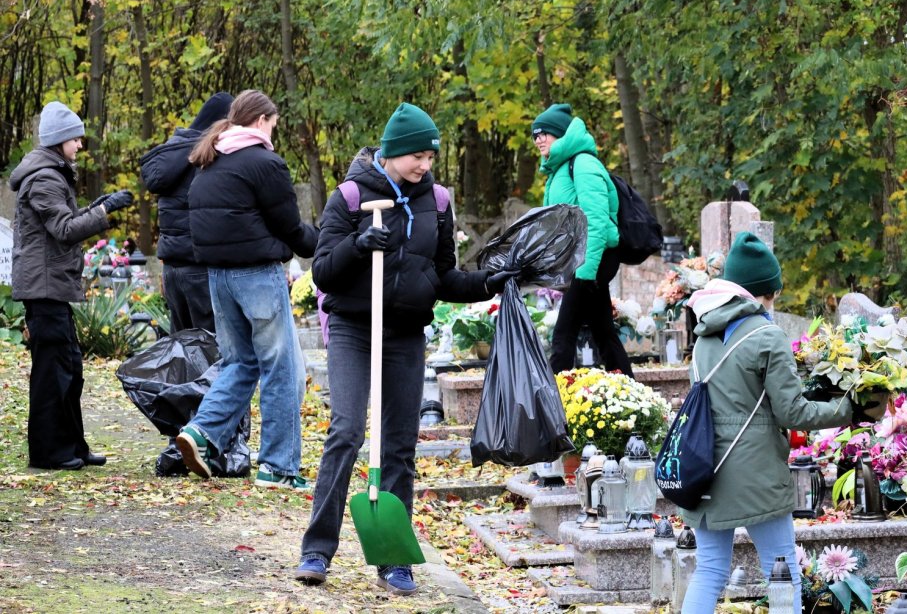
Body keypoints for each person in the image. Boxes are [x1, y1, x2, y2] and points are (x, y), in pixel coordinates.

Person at [294, 103, 517, 594]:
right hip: (354, 327)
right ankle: (316, 549)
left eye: (430, 156)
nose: (424, 165)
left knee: (399, 444)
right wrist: (358, 245)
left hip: (404, 334)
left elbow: (441, 277)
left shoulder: (435, 202)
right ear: (392, 154)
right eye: (416, 156)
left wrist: (486, 284)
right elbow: (323, 271)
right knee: (348, 431)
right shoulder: (350, 196)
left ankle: (394, 558)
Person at [678, 232, 851, 614]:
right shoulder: (768, 336)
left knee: (709, 570)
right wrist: (848, 409)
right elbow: (793, 414)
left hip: (703, 468)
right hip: (754, 474)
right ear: (765, 291)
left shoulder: (704, 335)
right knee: (782, 569)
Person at [176, 89, 318, 489]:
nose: (274, 133)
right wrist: (325, 244)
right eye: (273, 125)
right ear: (261, 121)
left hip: (218, 277)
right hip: (257, 275)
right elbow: (289, 226)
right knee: (281, 368)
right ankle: (278, 467)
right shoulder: (264, 163)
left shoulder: (209, 162)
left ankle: (202, 432)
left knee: (241, 363)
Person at [9, 101, 133, 470]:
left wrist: (96, 207)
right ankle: (49, 453)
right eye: (75, 138)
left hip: (51, 288)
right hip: (43, 288)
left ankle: (73, 447)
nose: (80, 144)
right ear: (59, 140)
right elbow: (63, 231)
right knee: (54, 370)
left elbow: (64, 221)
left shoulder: (52, 173)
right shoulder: (44, 177)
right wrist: (104, 211)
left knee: (70, 367)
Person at [531, 103, 633, 376]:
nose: (539, 139)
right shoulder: (559, 170)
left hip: (592, 259)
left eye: (545, 133)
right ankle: (633, 392)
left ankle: (551, 405)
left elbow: (597, 220)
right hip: (580, 259)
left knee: (564, 333)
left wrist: (586, 271)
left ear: (562, 135)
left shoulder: (584, 164)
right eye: (535, 135)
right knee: (604, 332)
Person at [140, 91, 234, 333]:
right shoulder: (205, 156)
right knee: (210, 349)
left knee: (183, 346)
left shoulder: (173, 156)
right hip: (199, 268)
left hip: (173, 270)